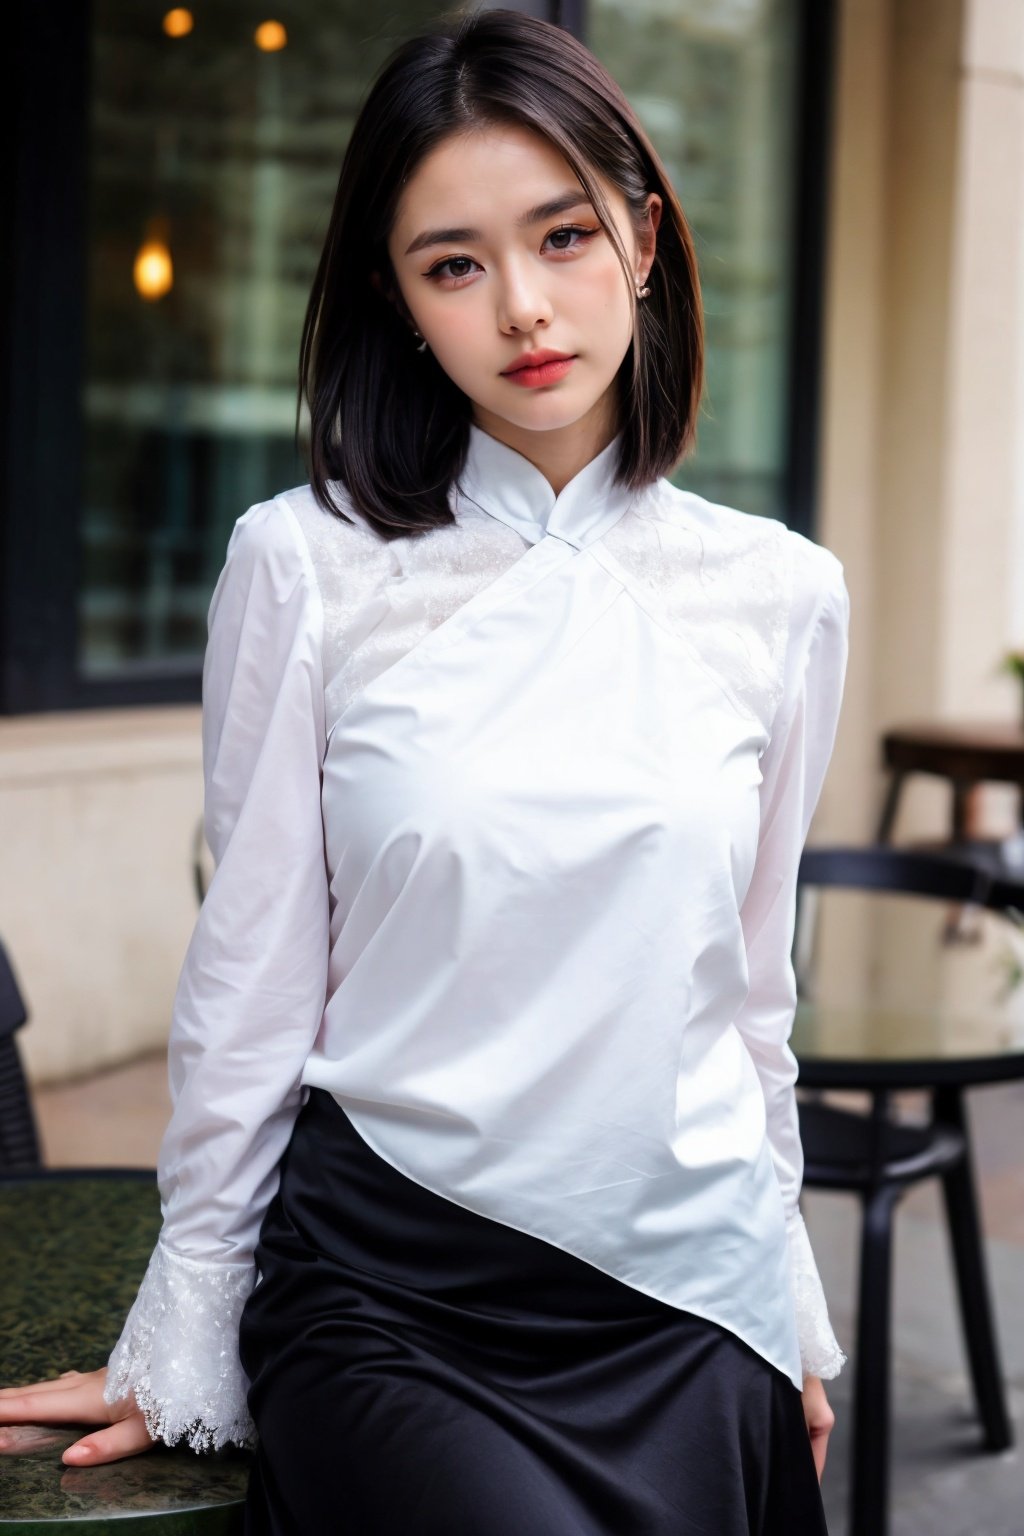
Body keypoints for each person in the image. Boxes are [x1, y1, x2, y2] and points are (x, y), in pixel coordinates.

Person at [0, 7, 850, 1532]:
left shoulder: (779, 596)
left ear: (644, 242)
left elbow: (744, 997)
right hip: (397, 1289)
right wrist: (187, 1319)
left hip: (682, 1298)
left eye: (565, 236)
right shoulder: (304, 567)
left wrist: (783, 1291)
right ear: (398, 301)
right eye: (453, 263)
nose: (523, 306)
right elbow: (251, 975)